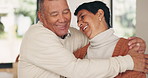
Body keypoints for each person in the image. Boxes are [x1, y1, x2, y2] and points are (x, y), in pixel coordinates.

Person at [18, 0, 148, 78]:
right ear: (41, 17)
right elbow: (74, 69)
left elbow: (101, 40)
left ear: (100, 14)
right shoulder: (37, 36)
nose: (62, 19)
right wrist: (127, 62)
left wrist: (135, 44)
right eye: (54, 14)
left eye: (65, 12)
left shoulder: (73, 35)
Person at [74, 1, 146, 78]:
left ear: (100, 14)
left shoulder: (129, 48)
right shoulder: (78, 54)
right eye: (78, 22)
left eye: (82, 17)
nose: (79, 24)